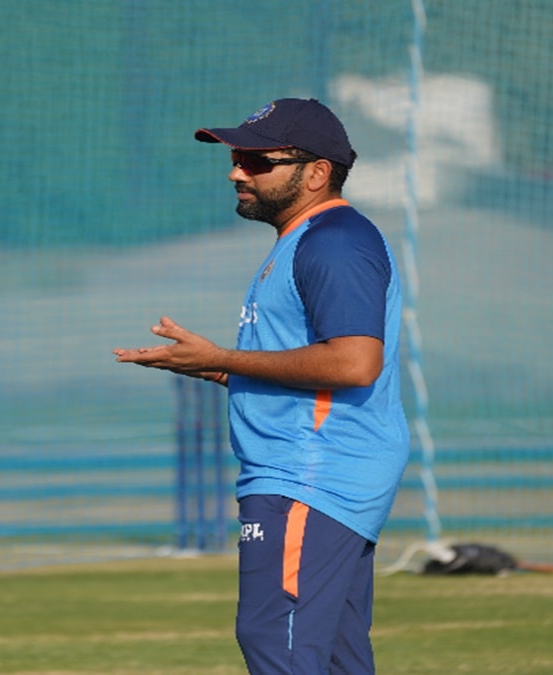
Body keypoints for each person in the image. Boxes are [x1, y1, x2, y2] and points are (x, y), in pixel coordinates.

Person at [114, 98, 410, 674]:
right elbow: (310, 365)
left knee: (277, 638)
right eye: (235, 159)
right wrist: (213, 366)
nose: (236, 172)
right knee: (335, 653)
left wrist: (224, 356)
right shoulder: (306, 239)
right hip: (313, 473)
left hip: (311, 474)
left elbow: (354, 363)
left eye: (255, 161)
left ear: (316, 172)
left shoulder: (334, 240)